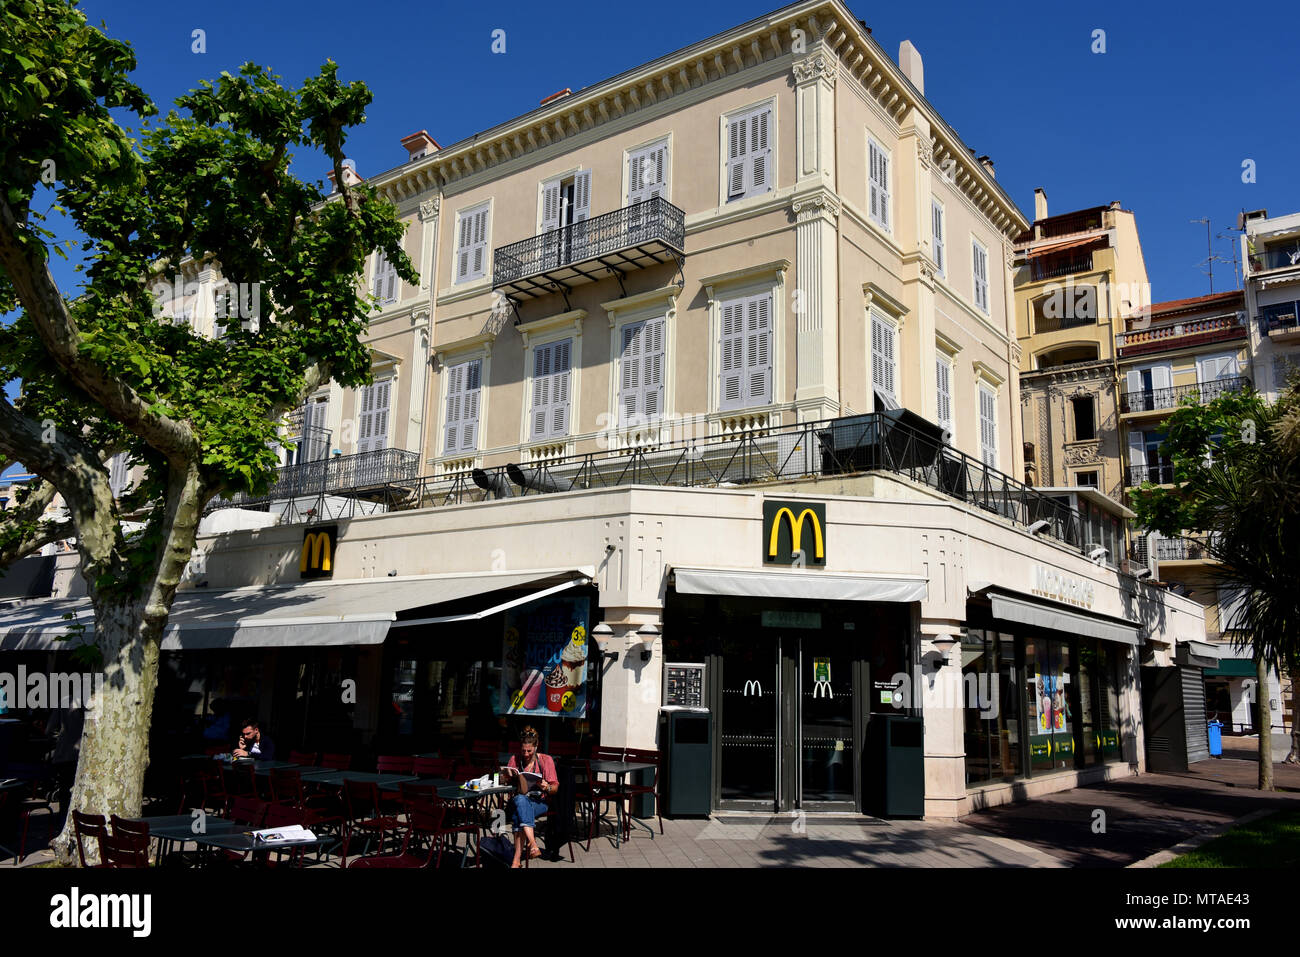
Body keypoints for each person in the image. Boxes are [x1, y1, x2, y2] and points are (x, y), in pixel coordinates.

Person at [502, 726, 558, 868]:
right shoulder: (515, 759)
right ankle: (533, 844)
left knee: (518, 814)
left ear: (536, 746)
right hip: (519, 800)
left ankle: (517, 859)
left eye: (529, 751)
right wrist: (506, 777)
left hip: (540, 801)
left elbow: (555, 788)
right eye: (523, 751)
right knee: (521, 801)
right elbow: (505, 781)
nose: (525, 754)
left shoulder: (546, 760)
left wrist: (547, 787)